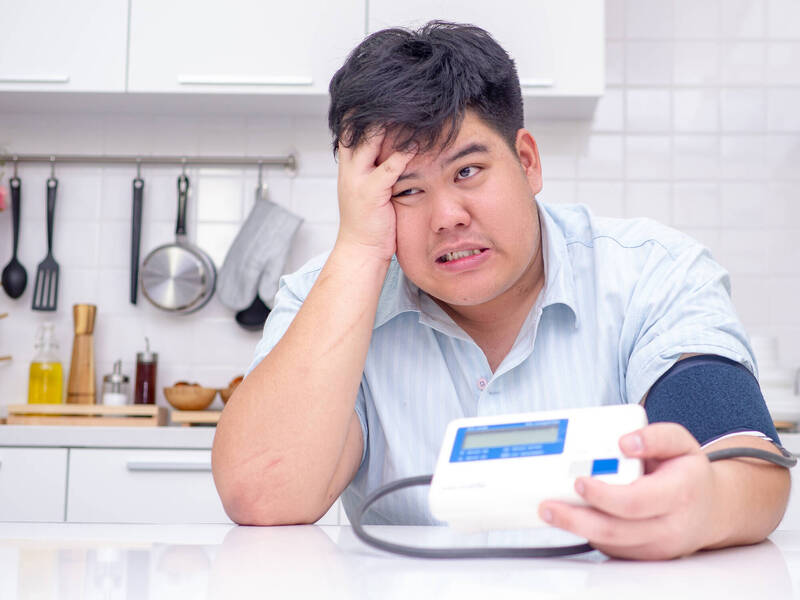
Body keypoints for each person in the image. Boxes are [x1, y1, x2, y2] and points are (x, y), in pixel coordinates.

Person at [211, 21, 790, 560]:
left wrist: (704, 506)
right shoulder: (328, 296)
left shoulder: (652, 273)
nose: (447, 217)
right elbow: (263, 496)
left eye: (467, 171)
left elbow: (745, 457)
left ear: (527, 161)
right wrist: (360, 248)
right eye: (406, 191)